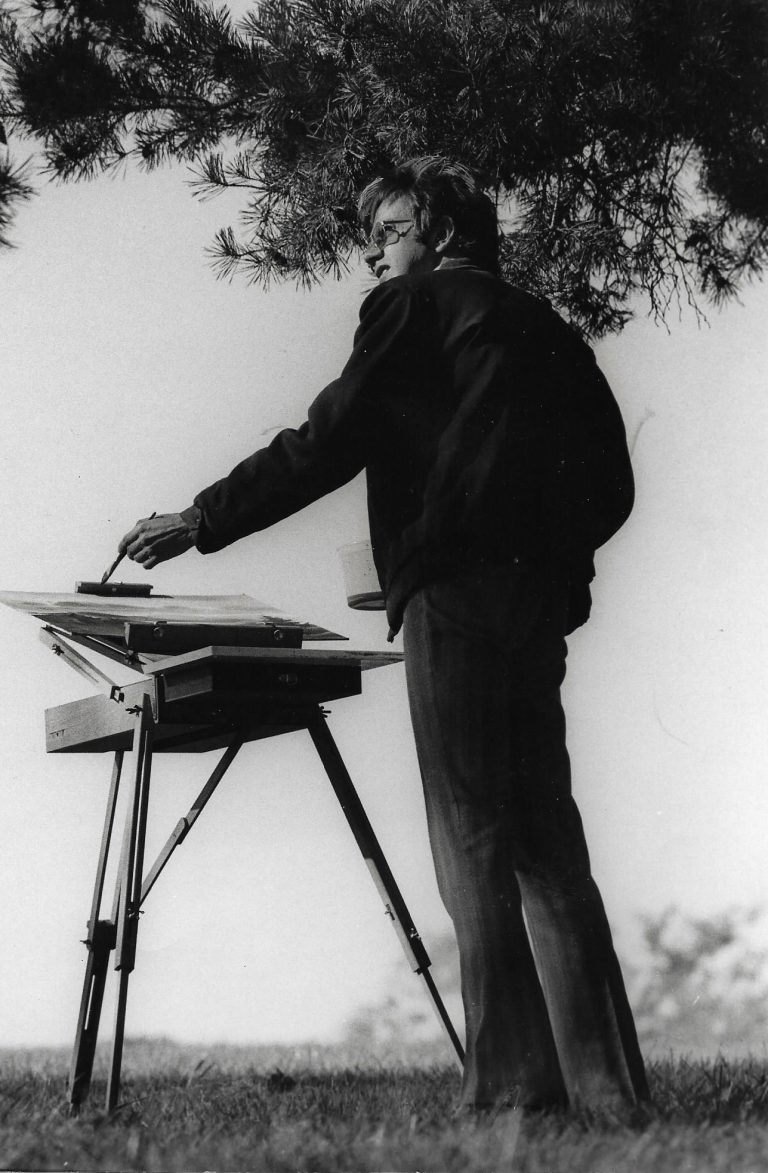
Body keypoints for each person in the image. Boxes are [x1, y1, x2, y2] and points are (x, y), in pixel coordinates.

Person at [119, 156, 649, 1114]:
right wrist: (547, 560)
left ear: (439, 233)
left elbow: (329, 439)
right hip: (537, 604)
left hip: (452, 597)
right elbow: (611, 483)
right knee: (550, 842)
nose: (373, 255)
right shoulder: (550, 327)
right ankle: (613, 1095)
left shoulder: (411, 306)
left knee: (471, 833)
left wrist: (201, 518)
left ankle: (513, 1094)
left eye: (388, 234)